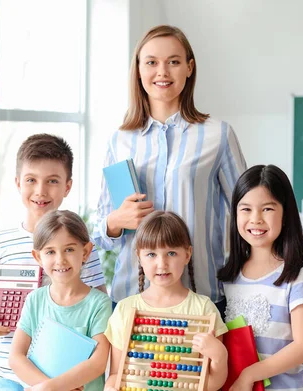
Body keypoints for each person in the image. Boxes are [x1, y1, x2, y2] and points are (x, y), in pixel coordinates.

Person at [93, 24, 247, 314]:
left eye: (173, 62)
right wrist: (116, 221)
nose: (162, 72)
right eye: (151, 62)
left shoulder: (218, 136)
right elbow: (100, 233)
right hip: (131, 298)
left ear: (189, 68)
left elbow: (247, 215)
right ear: (138, 70)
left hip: (200, 295)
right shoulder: (120, 141)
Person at [0, 134, 106, 391]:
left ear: (67, 186)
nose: (41, 191)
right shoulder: (0, 244)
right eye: (31, 180)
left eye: (52, 181)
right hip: (13, 373)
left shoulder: (82, 245)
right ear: (18, 183)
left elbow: (96, 310)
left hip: (70, 378)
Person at [218, 165, 303, 391]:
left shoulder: (295, 275)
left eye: (267, 209)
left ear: (285, 215)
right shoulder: (227, 276)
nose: (256, 219)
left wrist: (249, 375)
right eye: (246, 209)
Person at [104, 211, 228, 391]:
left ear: (187, 254)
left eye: (171, 253)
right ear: (139, 256)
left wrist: (219, 357)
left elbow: (212, 384)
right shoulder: (125, 309)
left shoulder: (203, 309)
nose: (162, 264)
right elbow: (116, 375)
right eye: (151, 254)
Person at [9, 210, 111, 391]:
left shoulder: (99, 304)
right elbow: (16, 357)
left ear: (86, 252)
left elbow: (98, 362)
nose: (60, 260)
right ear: (38, 257)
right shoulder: (35, 300)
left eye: (69, 249)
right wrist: (50, 388)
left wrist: (52, 388)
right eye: (50, 252)